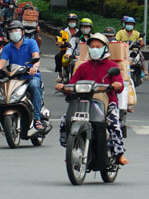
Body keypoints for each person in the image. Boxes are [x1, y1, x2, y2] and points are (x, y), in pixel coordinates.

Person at [55, 33, 128, 165]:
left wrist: (116, 85)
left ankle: (119, 154)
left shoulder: (112, 66)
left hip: (107, 102)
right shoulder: (83, 67)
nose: (94, 49)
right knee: (64, 120)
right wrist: (64, 87)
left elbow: (120, 86)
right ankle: (70, 150)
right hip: (83, 101)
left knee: (113, 123)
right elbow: (73, 83)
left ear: (105, 48)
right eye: (92, 46)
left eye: (98, 46)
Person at [0, 21, 44, 130]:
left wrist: (34, 67)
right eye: (11, 31)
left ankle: (37, 119)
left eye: (16, 30)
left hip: (31, 77)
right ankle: (3, 122)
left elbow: (36, 56)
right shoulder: (8, 47)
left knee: (34, 86)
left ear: (22, 32)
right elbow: (2, 61)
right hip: (15, 78)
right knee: (2, 91)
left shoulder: (31, 43)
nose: (14, 33)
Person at [54, 13, 79, 83]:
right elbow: (58, 42)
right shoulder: (62, 31)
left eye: (74, 21)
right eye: (71, 21)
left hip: (77, 51)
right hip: (65, 50)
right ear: (68, 22)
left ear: (76, 22)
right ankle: (60, 75)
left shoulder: (79, 32)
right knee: (58, 57)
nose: (72, 22)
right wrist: (64, 43)